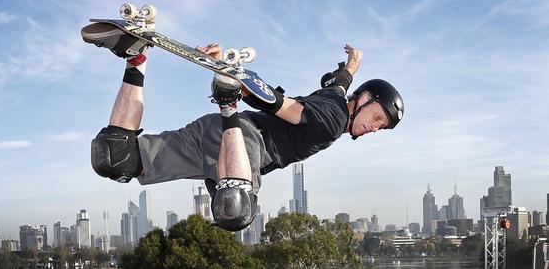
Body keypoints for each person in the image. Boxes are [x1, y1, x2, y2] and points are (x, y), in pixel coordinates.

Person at [81, 21, 404, 231]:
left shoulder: (334, 95)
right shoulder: (333, 120)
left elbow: (337, 81)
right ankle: (227, 101)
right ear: (364, 98)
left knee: (115, 157)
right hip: (246, 141)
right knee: (235, 208)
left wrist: (351, 65)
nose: (375, 127)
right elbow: (285, 108)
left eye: (382, 127)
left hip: (211, 137)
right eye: (377, 117)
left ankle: (136, 60)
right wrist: (236, 86)